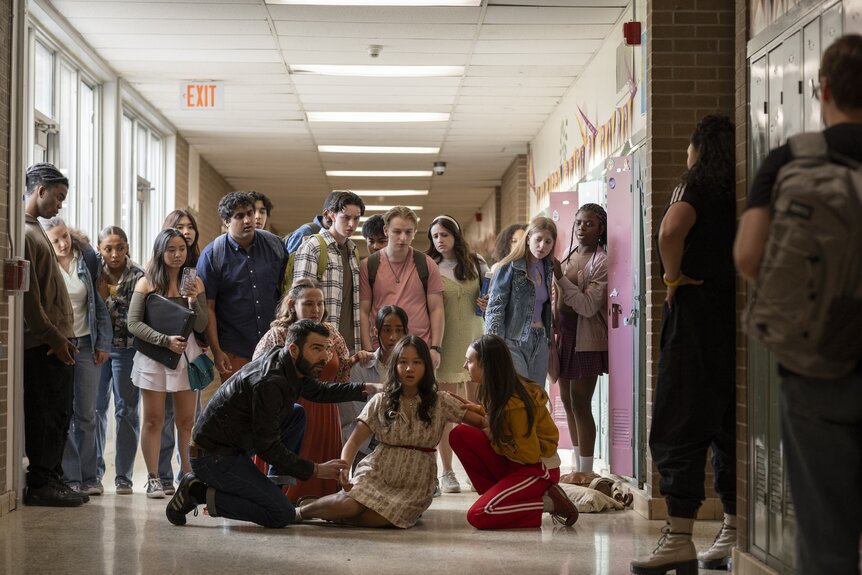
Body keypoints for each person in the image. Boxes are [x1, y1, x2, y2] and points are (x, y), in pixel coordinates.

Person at [734, 35, 862, 575]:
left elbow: (749, 255)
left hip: (816, 366)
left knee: (826, 532)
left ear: (822, 88)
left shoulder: (791, 159)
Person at [630, 115, 736, 575]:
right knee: (730, 425)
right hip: (735, 320)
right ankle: (734, 528)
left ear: (698, 149)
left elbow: (671, 231)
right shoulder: (742, 186)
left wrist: (671, 278)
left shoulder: (693, 185)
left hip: (693, 320)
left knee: (679, 424)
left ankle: (678, 538)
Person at [165, 320, 380, 528]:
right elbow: (266, 446)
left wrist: (367, 388)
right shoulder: (270, 382)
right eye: (317, 349)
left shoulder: (289, 362)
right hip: (212, 456)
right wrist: (315, 469)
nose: (325, 357)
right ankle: (197, 492)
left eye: (326, 349)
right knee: (281, 514)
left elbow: (319, 391)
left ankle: (274, 485)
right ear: (294, 349)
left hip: (233, 442)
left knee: (295, 414)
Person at [296, 336, 486, 528]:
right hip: (378, 471)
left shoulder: (441, 401)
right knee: (349, 505)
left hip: (415, 483)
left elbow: (483, 423)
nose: (409, 368)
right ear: (395, 366)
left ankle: (331, 510)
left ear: (427, 366)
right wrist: (344, 467)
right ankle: (300, 512)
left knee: (383, 519)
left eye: (417, 362)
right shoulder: (382, 400)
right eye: (403, 362)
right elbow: (353, 442)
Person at [252, 279, 369, 501]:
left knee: (319, 481)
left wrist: (354, 361)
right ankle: (276, 502)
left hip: (325, 412)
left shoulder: (331, 333)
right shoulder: (278, 335)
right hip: (288, 410)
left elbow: (341, 375)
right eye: (308, 304)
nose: (316, 310)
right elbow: (256, 374)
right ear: (292, 304)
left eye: (320, 303)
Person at [450, 334, 578, 528]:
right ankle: (503, 494)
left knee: (478, 515)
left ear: (486, 365)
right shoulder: (500, 390)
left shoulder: (516, 403)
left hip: (537, 470)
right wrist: (475, 410)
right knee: (460, 434)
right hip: (517, 462)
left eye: (469, 361)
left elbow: (529, 455)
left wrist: (492, 435)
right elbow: (502, 423)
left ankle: (548, 503)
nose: (464, 366)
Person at [22, 163, 87, 506]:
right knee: (46, 416)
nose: (60, 205)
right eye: (58, 197)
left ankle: (55, 478)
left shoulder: (37, 231)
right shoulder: (25, 232)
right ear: (40, 190)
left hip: (58, 340)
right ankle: (41, 483)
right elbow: (30, 301)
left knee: (61, 415)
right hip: (44, 345)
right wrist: (55, 338)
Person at [128, 228, 208, 498]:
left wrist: (193, 300)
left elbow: (202, 324)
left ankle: (187, 474)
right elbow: (133, 324)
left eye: (182, 249)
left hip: (186, 355)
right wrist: (164, 340)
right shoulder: (147, 282)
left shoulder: (195, 283)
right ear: (160, 252)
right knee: (153, 420)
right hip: (155, 357)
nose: (177, 255)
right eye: (171, 250)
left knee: (186, 421)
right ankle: (153, 478)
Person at [42, 218, 112, 497]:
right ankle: (70, 476)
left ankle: (90, 475)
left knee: (87, 413)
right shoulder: (45, 263)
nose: (62, 244)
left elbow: (98, 304)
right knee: (64, 413)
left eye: (64, 237)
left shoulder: (88, 259)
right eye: (55, 240)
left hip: (85, 342)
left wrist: (102, 343)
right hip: (58, 343)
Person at [426, 214, 488, 493]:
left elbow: (493, 298)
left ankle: (476, 470)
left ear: (456, 235)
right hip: (447, 340)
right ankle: (447, 472)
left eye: (444, 235)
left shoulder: (476, 263)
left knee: (476, 410)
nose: (439, 241)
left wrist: (487, 303)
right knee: (447, 409)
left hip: (475, 337)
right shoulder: (430, 266)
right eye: (435, 236)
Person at [197, 191, 287, 380]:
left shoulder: (274, 246)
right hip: (234, 349)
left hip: (274, 347)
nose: (248, 220)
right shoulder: (213, 255)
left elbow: (285, 295)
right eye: (239, 216)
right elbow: (208, 308)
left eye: (249, 213)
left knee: (273, 405)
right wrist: (217, 351)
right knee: (238, 407)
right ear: (226, 221)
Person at [551, 204, 608, 475]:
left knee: (580, 400)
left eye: (590, 224)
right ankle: (576, 465)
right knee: (565, 399)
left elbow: (587, 306)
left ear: (601, 229)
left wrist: (561, 278)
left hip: (585, 337)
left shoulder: (601, 261)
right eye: (579, 223)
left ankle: (587, 470)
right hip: (563, 334)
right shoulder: (568, 254)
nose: (582, 228)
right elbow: (557, 298)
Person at [359, 206, 445, 369]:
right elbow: (363, 311)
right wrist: (368, 349)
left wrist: (435, 348)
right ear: (386, 230)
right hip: (382, 351)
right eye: (397, 232)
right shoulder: (369, 265)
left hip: (420, 349)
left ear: (414, 232)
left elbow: (437, 308)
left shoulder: (426, 264)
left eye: (408, 232)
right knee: (382, 395)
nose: (403, 238)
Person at [95, 226, 145, 495]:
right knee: (95, 409)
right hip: (98, 350)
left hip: (128, 351)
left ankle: (123, 477)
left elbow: (134, 318)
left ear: (127, 247)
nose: (114, 254)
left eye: (119, 248)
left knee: (126, 411)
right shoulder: (93, 272)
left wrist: (105, 299)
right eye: (108, 248)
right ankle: (94, 472)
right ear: (99, 249)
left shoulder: (138, 276)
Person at [159, 208, 204, 494]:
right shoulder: (157, 271)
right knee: (161, 416)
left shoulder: (200, 265)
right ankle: (161, 474)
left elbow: (204, 313)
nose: (186, 231)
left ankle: (186, 474)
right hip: (162, 350)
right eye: (180, 226)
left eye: (190, 227)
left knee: (189, 419)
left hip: (193, 351)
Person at [485, 216, 556, 386]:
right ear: (528, 238)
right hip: (513, 340)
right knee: (519, 394)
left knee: (537, 398)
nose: (542, 246)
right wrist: (494, 345)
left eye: (548, 241)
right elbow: (495, 307)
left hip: (541, 340)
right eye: (538, 239)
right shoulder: (509, 266)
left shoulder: (548, 268)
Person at [292, 190, 364, 353]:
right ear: (331, 215)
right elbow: (300, 300)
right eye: (346, 217)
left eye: (356, 218)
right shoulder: (313, 247)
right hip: (319, 344)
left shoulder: (353, 252)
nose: (352, 224)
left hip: (349, 345)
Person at [348, 305, 409, 465]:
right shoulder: (361, 367)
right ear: (376, 332)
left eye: (399, 330)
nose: (393, 337)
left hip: (404, 444)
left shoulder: (412, 369)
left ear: (406, 332)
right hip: (367, 446)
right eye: (387, 330)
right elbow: (358, 415)